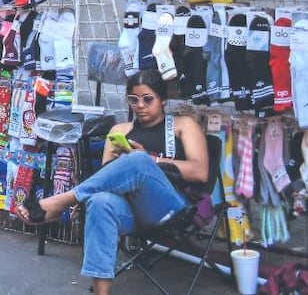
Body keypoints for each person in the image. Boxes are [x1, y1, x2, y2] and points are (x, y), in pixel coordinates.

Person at [15, 70, 209, 295]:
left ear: (163, 100)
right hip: (132, 210)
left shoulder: (182, 125)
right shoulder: (119, 131)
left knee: (138, 160)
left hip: (169, 205)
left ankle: (62, 202)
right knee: (99, 201)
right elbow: (104, 180)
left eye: (148, 99)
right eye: (133, 99)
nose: (140, 105)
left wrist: (151, 159)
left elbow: (200, 172)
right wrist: (118, 166)